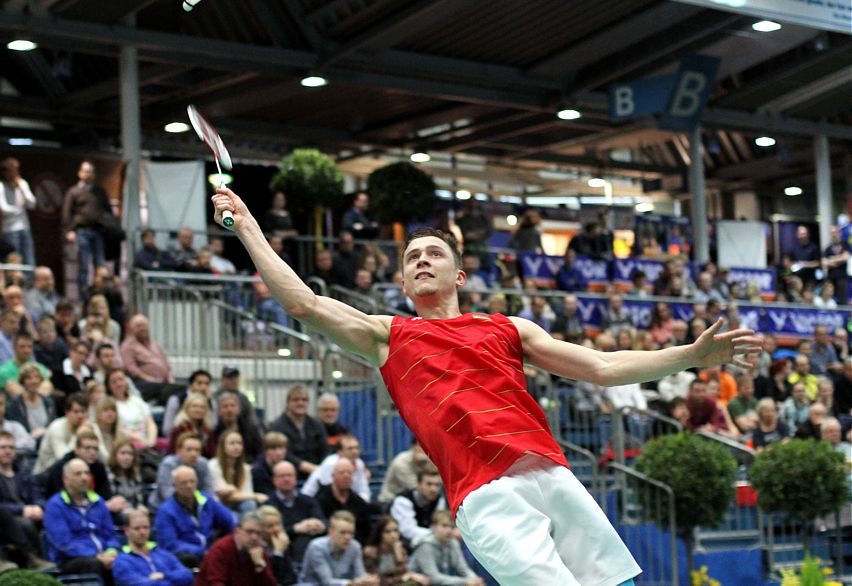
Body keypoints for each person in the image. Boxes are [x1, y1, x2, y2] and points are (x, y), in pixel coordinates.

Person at [212, 188, 759, 586]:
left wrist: (690, 356)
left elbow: (600, 366)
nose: (421, 260)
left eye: (433, 254)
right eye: (412, 258)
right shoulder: (389, 337)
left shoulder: (508, 328)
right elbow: (303, 302)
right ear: (403, 284)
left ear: (459, 277)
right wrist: (248, 227)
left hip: (551, 473)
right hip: (486, 494)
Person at [44, 458, 121, 582]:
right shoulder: (55, 505)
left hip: (102, 556)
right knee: (95, 564)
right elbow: (64, 544)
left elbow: (110, 534)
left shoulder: (98, 501)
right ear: (66, 479)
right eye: (78, 474)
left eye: (87, 473)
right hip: (70, 560)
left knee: (125, 561)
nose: (84, 478)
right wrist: (95, 555)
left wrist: (111, 552)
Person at [153, 465, 235, 569]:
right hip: (188, 556)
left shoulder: (205, 499)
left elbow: (229, 519)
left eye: (192, 481)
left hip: (211, 549)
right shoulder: (165, 511)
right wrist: (201, 551)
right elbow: (171, 544)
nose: (189, 486)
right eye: (184, 483)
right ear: (174, 485)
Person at [0, 431, 54, 570]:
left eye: (11, 448)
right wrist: (22, 509)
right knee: (25, 524)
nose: (8, 451)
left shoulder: (24, 471)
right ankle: (32, 558)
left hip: (29, 514)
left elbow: (38, 495)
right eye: (3, 447)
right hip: (6, 520)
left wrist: (38, 507)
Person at [62, 160, 114, 295]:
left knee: (100, 265)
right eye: (85, 171)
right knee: (83, 265)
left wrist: (107, 225)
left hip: (98, 231)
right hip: (81, 231)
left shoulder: (99, 191)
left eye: (90, 171)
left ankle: (101, 292)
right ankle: (83, 294)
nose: (88, 174)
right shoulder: (73, 191)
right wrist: (69, 231)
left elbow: (108, 211)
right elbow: (67, 213)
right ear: (80, 173)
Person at [113, 508, 194, 586]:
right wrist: (174, 581)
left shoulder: (163, 554)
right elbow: (140, 584)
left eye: (146, 527)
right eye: (137, 529)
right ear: (127, 531)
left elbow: (187, 575)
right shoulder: (122, 561)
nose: (142, 532)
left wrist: (164, 576)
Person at [266, 460, 326, 562]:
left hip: (311, 547)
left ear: (295, 478)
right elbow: (269, 533)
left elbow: (323, 520)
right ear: (274, 480)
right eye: (282, 476)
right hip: (282, 550)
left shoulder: (308, 501)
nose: (286, 479)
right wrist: (295, 529)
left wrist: (319, 525)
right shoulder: (268, 505)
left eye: (289, 475)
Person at [195, 510, 276, 585]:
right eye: (249, 532)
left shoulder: (259, 552)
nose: (254, 537)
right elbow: (216, 582)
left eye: (258, 533)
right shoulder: (221, 549)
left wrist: (260, 566)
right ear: (238, 530)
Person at [299, 510, 378, 586]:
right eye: (342, 532)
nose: (348, 537)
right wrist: (353, 583)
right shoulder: (317, 547)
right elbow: (326, 582)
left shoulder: (355, 546)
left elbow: (360, 575)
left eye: (351, 533)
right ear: (330, 532)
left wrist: (367, 581)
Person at [409, 510, 484, 586]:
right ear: (433, 527)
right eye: (444, 526)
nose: (449, 530)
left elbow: (463, 569)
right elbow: (433, 578)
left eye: (452, 527)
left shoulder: (453, 543)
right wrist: (465, 582)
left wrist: (475, 580)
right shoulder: (425, 545)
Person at [269, 384, 328, 478]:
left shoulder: (316, 425)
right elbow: (283, 454)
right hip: (289, 475)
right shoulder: (277, 427)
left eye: (304, 400)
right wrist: (306, 467)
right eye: (296, 400)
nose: (300, 403)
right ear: (287, 403)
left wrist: (322, 468)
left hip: (317, 474)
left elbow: (325, 451)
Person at [314, 458, 372, 544]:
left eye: (349, 473)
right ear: (333, 476)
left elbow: (366, 530)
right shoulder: (320, 499)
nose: (346, 476)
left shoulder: (359, 502)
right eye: (342, 473)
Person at [120, 315, 176, 403]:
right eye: (138, 326)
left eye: (144, 325)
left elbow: (167, 365)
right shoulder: (128, 346)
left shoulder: (156, 345)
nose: (142, 328)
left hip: (163, 383)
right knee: (169, 391)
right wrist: (149, 378)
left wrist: (170, 379)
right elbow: (131, 368)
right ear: (132, 329)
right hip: (142, 383)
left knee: (177, 390)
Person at [209, 430, 269, 514]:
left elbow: (247, 492)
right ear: (223, 446)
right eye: (232, 443)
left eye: (239, 443)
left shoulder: (245, 468)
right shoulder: (213, 465)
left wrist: (232, 490)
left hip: (239, 505)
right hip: (219, 505)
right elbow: (224, 495)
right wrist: (255, 495)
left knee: (249, 504)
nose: (236, 447)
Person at [150, 431, 213, 509]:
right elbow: (167, 494)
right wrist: (195, 501)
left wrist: (200, 503)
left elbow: (208, 490)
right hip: (162, 508)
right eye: (189, 450)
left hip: (195, 507)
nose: (194, 454)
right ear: (178, 451)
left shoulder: (203, 464)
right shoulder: (168, 464)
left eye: (197, 450)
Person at [363, 515, 430, 586]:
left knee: (422, 581)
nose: (393, 535)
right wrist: (405, 577)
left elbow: (404, 573)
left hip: (397, 583)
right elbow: (375, 579)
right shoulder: (370, 552)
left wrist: (399, 557)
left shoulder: (401, 550)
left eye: (396, 530)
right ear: (380, 534)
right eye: (387, 532)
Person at [301, 434, 371, 502]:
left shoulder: (359, 463)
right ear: (340, 452)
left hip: (346, 501)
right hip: (314, 501)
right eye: (350, 449)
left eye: (357, 448)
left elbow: (363, 490)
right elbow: (329, 493)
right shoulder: (330, 464)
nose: (355, 452)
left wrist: (361, 505)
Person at [390, 467, 447, 549]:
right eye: (429, 484)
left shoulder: (440, 499)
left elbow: (440, 524)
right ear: (418, 484)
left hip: (429, 543)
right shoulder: (403, 500)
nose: (433, 489)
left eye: (437, 485)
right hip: (403, 546)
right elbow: (408, 531)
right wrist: (437, 534)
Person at [34, 392, 89, 473]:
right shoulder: (56, 428)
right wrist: (78, 435)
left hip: (74, 474)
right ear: (67, 412)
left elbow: (103, 457)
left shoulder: (89, 426)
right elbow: (64, 460)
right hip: (46, 475)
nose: (80, 416)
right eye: (76, 412)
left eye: (83, 412)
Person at [106, 368, 157, 449]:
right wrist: (141, 440)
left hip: (146, 441)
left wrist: (151, 441)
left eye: (121, 379)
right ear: (109, 386)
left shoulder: (137, 401)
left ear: (126, 382)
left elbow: (150, 423)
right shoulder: (109, 404)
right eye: (114, 382)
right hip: (126, 444)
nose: (119, 384)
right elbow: (118, 430)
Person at [6, 363, 57, 443]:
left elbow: (53, 424)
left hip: (47, 441)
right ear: (22, 381)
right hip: (25, 444)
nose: (34, 381)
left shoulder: (48, 402)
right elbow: (14, 428)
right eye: (29, 378)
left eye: (37, 377)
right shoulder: (14, 404)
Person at [0, 157, 36, 267]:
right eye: (12, 170)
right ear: (6, 172)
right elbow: (3, 209)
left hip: (24, 227)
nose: (15, 173)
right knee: (14, 261)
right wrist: (20, 208)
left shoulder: (22, 184)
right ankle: (15, 283)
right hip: (10, 229)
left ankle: (29, 283)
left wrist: (21, 188)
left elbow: (32, 203)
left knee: (29, 259)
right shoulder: (1, 186)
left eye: (16, 170)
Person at [211, 390, 263, 461]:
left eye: (232, 406)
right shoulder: (214, 433)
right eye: (225, 406)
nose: (229, 410)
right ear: (219, 411)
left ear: (238, 409)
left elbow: (259, 452)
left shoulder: (251, 430)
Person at [162, 368, 215, 437]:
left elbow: (213, 425)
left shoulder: (211, 400)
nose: (203, 387)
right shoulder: (176, 399)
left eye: (207, 384)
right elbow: (167, 429)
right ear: (190, 385)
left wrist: (209, 402)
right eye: (199, 383)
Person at [378, 439, 433, 504]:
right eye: (421, 446)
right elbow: (418, 489)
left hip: (416, 501)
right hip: (390, 502)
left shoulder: (428, 460)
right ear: (413, 446)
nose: (424, 449)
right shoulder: (401, 462)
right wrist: (428, 462)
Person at [0, 332, 52, 398]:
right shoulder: (4, 371)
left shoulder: (39, 368)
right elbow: (15, 392)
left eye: (29, 347)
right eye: (22, 347)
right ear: (14, 348)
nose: (27, 350)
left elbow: (47, 387)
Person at [257, 505, 298, 586]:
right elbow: (272, 578)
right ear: (260, 528)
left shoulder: (282, 541)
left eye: (278, 524)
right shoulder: (256, 547)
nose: (276, 529)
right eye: (270, 526)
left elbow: (291, 578)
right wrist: (278, 552)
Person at [106, 438, 145, 512]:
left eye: (130, 454)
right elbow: (112, 501)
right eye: (123, 453)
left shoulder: (135, 475)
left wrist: (141, 508)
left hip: (133, 513)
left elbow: (139, 500)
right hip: (116, 513)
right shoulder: (108, 474)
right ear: (114, 455)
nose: (127, 458)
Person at [252, 431, 289, 497]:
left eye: (281, 448)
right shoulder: (257, 470)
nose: (279, 453)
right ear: (265, 451)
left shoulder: (288, 467)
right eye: (273, 449)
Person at [822, 225, 850, 304]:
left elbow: (845, 258)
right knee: (829, 300)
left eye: (835, 232)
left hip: (842, 278)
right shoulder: (828, 248)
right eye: (832, 233)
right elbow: (824, 262)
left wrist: (831, 260)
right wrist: (839, 259)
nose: (834, 235)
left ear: (839, 233)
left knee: (843, 301)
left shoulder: (845, 245)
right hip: (831, 279)